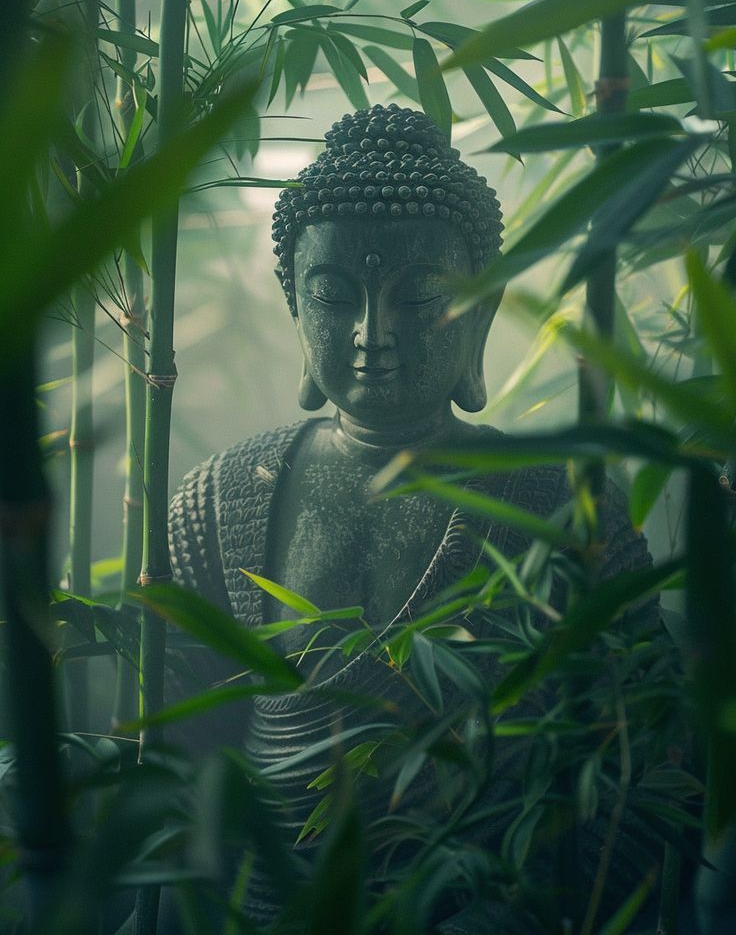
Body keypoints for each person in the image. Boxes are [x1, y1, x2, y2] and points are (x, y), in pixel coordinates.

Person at [168, 104, 658, 932]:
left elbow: (645, 768)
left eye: (418, 297)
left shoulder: (560, 509)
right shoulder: (215, 504)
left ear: (481, 310)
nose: (372, 335)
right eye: (334, 296)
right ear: (296, 306)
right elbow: (182, 771)